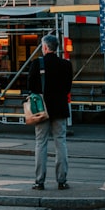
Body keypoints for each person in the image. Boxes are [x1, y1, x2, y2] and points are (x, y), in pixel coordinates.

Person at [27, 34, 73, 190]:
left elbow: (31, 87)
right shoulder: (66, 65)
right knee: (61, 142)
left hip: (41, 111)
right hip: (60, 109)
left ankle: (39, 181)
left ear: (45, 47)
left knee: (41, 143)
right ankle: (62, 180)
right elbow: (67, 88)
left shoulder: (36, 64)